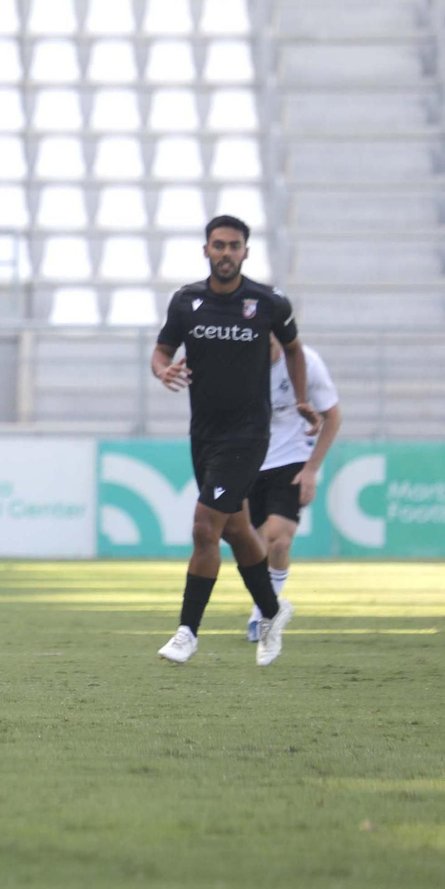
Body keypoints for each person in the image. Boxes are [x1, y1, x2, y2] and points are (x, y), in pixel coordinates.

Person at [151, 216, 320, 667]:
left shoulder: (267, 302)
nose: (226, 253)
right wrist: (162, 370)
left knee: (204, 527)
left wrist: (301, 399)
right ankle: (272, 610)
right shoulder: (186, 302)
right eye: (219, 245)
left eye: (234, 246)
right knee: (236, 528)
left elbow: (294, 348)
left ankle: (187, 631)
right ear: (206, 250)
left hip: (248, 435)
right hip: (204, 434)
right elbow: (162, 350)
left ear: (246, 252)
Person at [244, 335, 341, 642]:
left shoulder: (306, 363)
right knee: (256, 547)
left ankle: (265, 613)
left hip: (291, 459)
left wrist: (311, 469)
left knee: (279, 541)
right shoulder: (239, 361)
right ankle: (263, 604)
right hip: (248, 459)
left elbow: (333, 416)